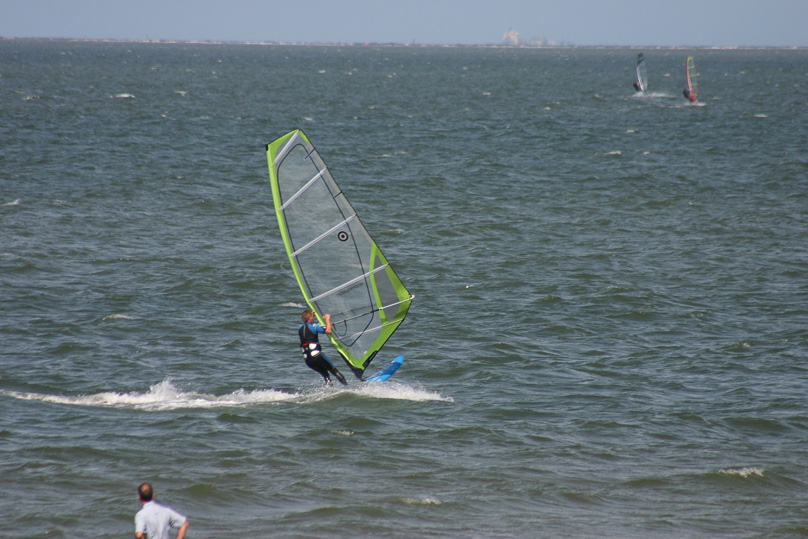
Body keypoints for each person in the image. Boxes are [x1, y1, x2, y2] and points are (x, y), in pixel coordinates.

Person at [299, 309, 348, 385]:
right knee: (333, 370)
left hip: (308, 360)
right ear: (310, 318)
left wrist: (310, 316)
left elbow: (307, 324)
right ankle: (346, 386)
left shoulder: (299, 328)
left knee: (325, 374)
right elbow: (328, 331)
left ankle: (330, 389)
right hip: (317, 356)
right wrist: (327, 319)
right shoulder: (315, 326)